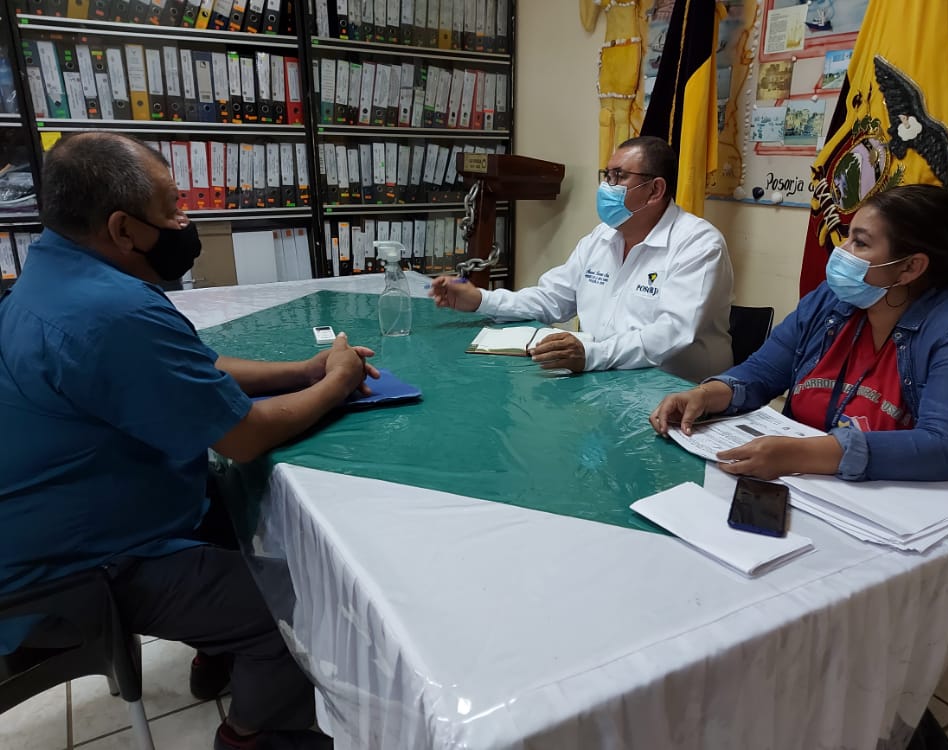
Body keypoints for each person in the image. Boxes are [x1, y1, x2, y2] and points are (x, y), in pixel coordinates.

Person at [0, 132, 379, 750]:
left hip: (66, 520)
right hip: (72, 570)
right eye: (173, 208)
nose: (184, 221)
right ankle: (254, 732)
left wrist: (304, 370)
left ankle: (218, 651)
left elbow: (191, 366)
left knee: (245, 511)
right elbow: (243, 437)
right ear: (123, 229)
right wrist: (337, 382)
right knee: (296, 608)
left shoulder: (54, 270)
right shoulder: (111, 311)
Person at [650, 184, 948, 486]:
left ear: (911, 267)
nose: (841, 251)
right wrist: (705, 395)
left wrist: (801, 454)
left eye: (860, 243)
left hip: (901, 508)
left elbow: (943, 447)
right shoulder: (830, 301)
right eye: (848, 236)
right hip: (807, 487)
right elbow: (763, 372)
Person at [429, 136, 734, 382]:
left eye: (619, 176)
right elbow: (552, 298)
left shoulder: (698, 245)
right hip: (604, 378)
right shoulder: (602, 237)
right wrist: (481, 300)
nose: (606, 186)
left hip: (678, 393)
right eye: (606, 175)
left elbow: (671, 333)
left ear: (655, 190)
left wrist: (591, 355)